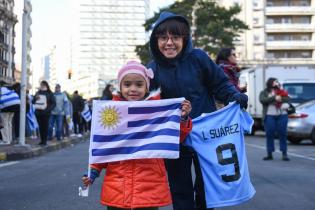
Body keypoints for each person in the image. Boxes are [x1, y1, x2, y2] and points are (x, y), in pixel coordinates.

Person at [147, 11, 248, 210]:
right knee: (180, 190)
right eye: (163, 37)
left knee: (205, 187)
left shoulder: (199, 58)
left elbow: (220, 84)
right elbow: (145, 103)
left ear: (185, 39)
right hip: (175, 138)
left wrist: (233, 95)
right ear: (155, 40)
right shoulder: (151, 69)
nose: (169, 43)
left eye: (175, 37)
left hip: (207, 135)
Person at [82, 61, 193, 210]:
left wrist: (183, 118)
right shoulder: (110, 113)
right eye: (127, 84)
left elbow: (175, 137)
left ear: (146, 87)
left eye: (139, 85)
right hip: (117, 189)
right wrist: (93, 171)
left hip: (149, 189)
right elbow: (103, 146)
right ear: (120, 87)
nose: (133, 89)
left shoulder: (158, 112)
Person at [259, 78, 290, 161]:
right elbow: (262, 100)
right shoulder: (264, 92)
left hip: (282, 115)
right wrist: (274, 98)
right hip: (269, 115)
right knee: (269, 134)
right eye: (274, 82)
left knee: (283, 134)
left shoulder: (281, 90)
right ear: (270, 83)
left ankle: (284, 154)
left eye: (277, 82)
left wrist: (280, 99)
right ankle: (269, 154)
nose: (276, 83)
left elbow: (287, 99)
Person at [32, 81, 56, 146]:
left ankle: (44, 141)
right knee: (40, 127)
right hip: (38, 112)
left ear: (46, 85)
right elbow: (33, 102)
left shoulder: (50, 93)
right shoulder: (37, 92)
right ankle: (42, 140)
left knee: (45, 127)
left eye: (43, 85)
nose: (42, 86)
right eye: (41, 84)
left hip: (46, 113)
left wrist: (48, 110)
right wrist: (35, 98)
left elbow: (54, 103)